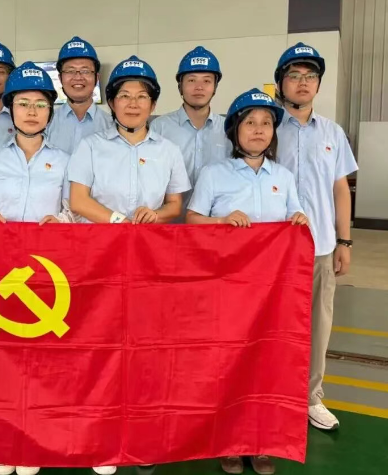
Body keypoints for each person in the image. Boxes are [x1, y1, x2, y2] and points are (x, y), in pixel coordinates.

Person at [69, 56, 191, 474]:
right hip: (98, 262)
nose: (133, 103)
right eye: (124, 95)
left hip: (149, 264)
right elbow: (78, 200)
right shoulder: (91, 147)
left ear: (153, 105)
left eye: (142, 96)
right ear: (112, 102)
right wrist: (118, 221)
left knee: (144, 349)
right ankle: (98, 432)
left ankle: (141, 434)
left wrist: (157, 215)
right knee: (98, 344)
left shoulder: (168, 151)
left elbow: (175, 204)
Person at [187, 88, 308, 475]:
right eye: (250, 122)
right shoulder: (214, 174)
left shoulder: (283, 177)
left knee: (267, 365)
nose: (258, 129)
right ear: (234, 131)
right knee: (227, 365)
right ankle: (229, 441)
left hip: (271, 295)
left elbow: (296, 219)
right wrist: (221, 221)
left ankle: (261, 442)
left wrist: (299, 221)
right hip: (226, 291)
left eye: (266, 123)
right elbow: (192, 221)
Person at [274, 43, 358, 431]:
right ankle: (270, 394)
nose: (303, 82)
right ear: (281, 83)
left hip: (320, 247)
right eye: (294, 75)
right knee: (270, 326)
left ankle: (310, 397)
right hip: (273, 250)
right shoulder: (264, 125)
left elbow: (340, 188)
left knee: (317, 326)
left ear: (319, 84)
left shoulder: (332, 132)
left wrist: (344, 241)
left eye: (310, 76)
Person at [0, 62, 73, 227]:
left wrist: (60, 221)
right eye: (23, 104)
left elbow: (72, 210)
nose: (32, 112)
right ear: (11, 109)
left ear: (50, 112)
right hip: (1, 241)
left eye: (41, 105)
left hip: (47, 243)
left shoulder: (65, 161)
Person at [150, 46, 230, 187]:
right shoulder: (159, 127)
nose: (199, 87)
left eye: (207, 81)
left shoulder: (229, 128)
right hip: (170, 202)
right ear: (180, 86)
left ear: (215, 87)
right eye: (192, 80)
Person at [45, 36, 112, 154]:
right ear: (60, 78)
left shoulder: (111, 125)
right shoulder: (46, 123)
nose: (78, 77)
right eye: (70, 71)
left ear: (96, 78)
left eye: (85, 71)